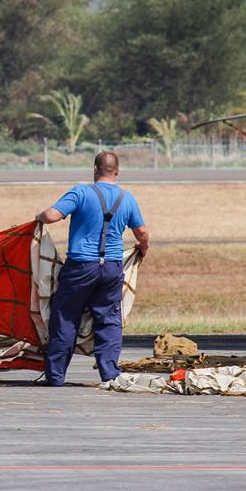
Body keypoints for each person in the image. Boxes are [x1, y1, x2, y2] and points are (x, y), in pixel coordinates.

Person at [35, 151, 150, 386]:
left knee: (66, 318)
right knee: (108, 320)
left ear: (94, 169)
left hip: (80, 267)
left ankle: (56, 377)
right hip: (111, 269)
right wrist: (142, 248)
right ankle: (109, 375)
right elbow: (142, 233)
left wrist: (38, 217)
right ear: (117, 172)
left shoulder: (81, 192)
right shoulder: (127, 199)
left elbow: (51, 215)